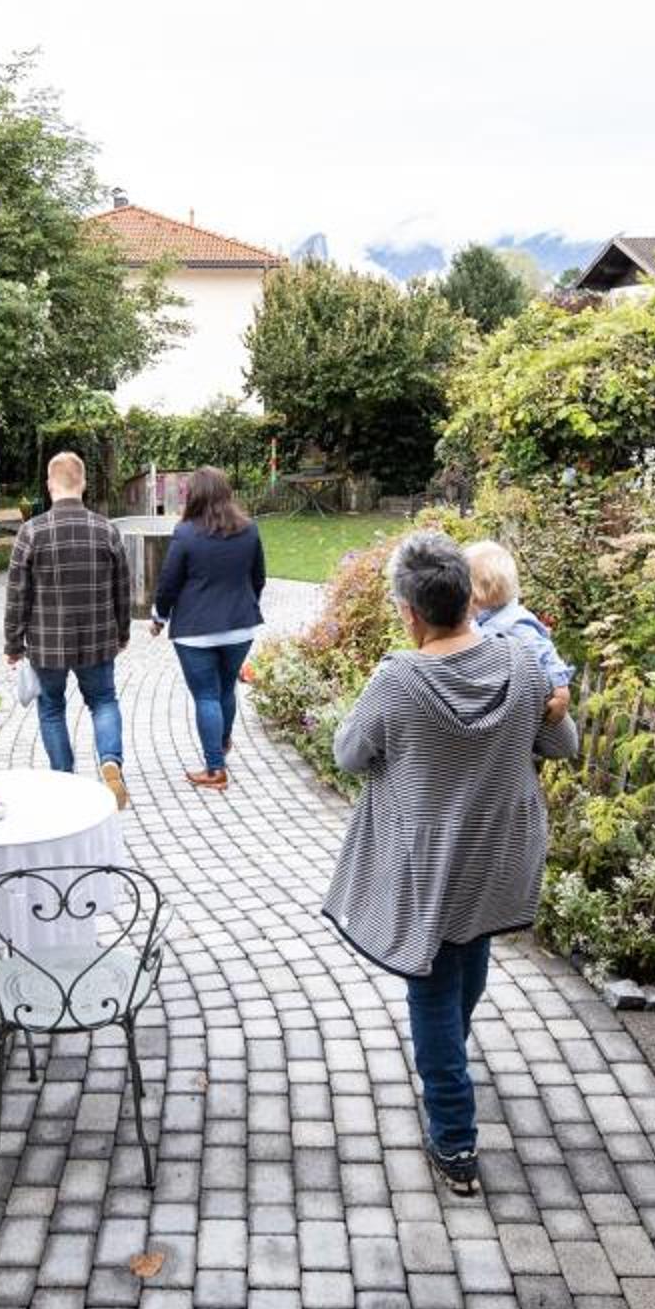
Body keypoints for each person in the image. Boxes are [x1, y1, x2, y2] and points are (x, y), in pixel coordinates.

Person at [321, 531, 577, 1195]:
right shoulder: (522, 662)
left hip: (429, 861)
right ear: (468, 599)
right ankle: (450, 1060)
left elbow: (348, 754)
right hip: (497, 853)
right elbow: (562, 744)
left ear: (410, 613)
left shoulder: (399, 681)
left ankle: (455, 1142)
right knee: (468, 952)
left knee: (431, 987)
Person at [4, 450, 134, 807]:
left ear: (50, 485)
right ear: (83, 483)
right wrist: (122, 633)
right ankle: (110, 762)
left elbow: (17, 595)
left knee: (51, 708)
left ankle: (64, 778)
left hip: (47, 644)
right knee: (103, 701)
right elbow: (123, 589)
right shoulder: (106, 530)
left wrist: (13, 644)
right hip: (98, 639)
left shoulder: (31, 532)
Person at [150, 467, 268, 790]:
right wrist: (246, 606)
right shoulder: (249, 530)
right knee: (226, 689)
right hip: (240, 628)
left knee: (206, 696)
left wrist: (159, 617)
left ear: (195, 495)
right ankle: (223, 741)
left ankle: (216, 769)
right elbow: (258, 578)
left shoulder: (185, 533)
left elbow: (168, 583)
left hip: (195, 632)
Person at [465, 539, 572, 722]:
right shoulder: (477, 620)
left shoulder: (516, 623)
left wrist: (561, 695)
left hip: (514, 710)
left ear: (478, 592)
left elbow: (547, 657)